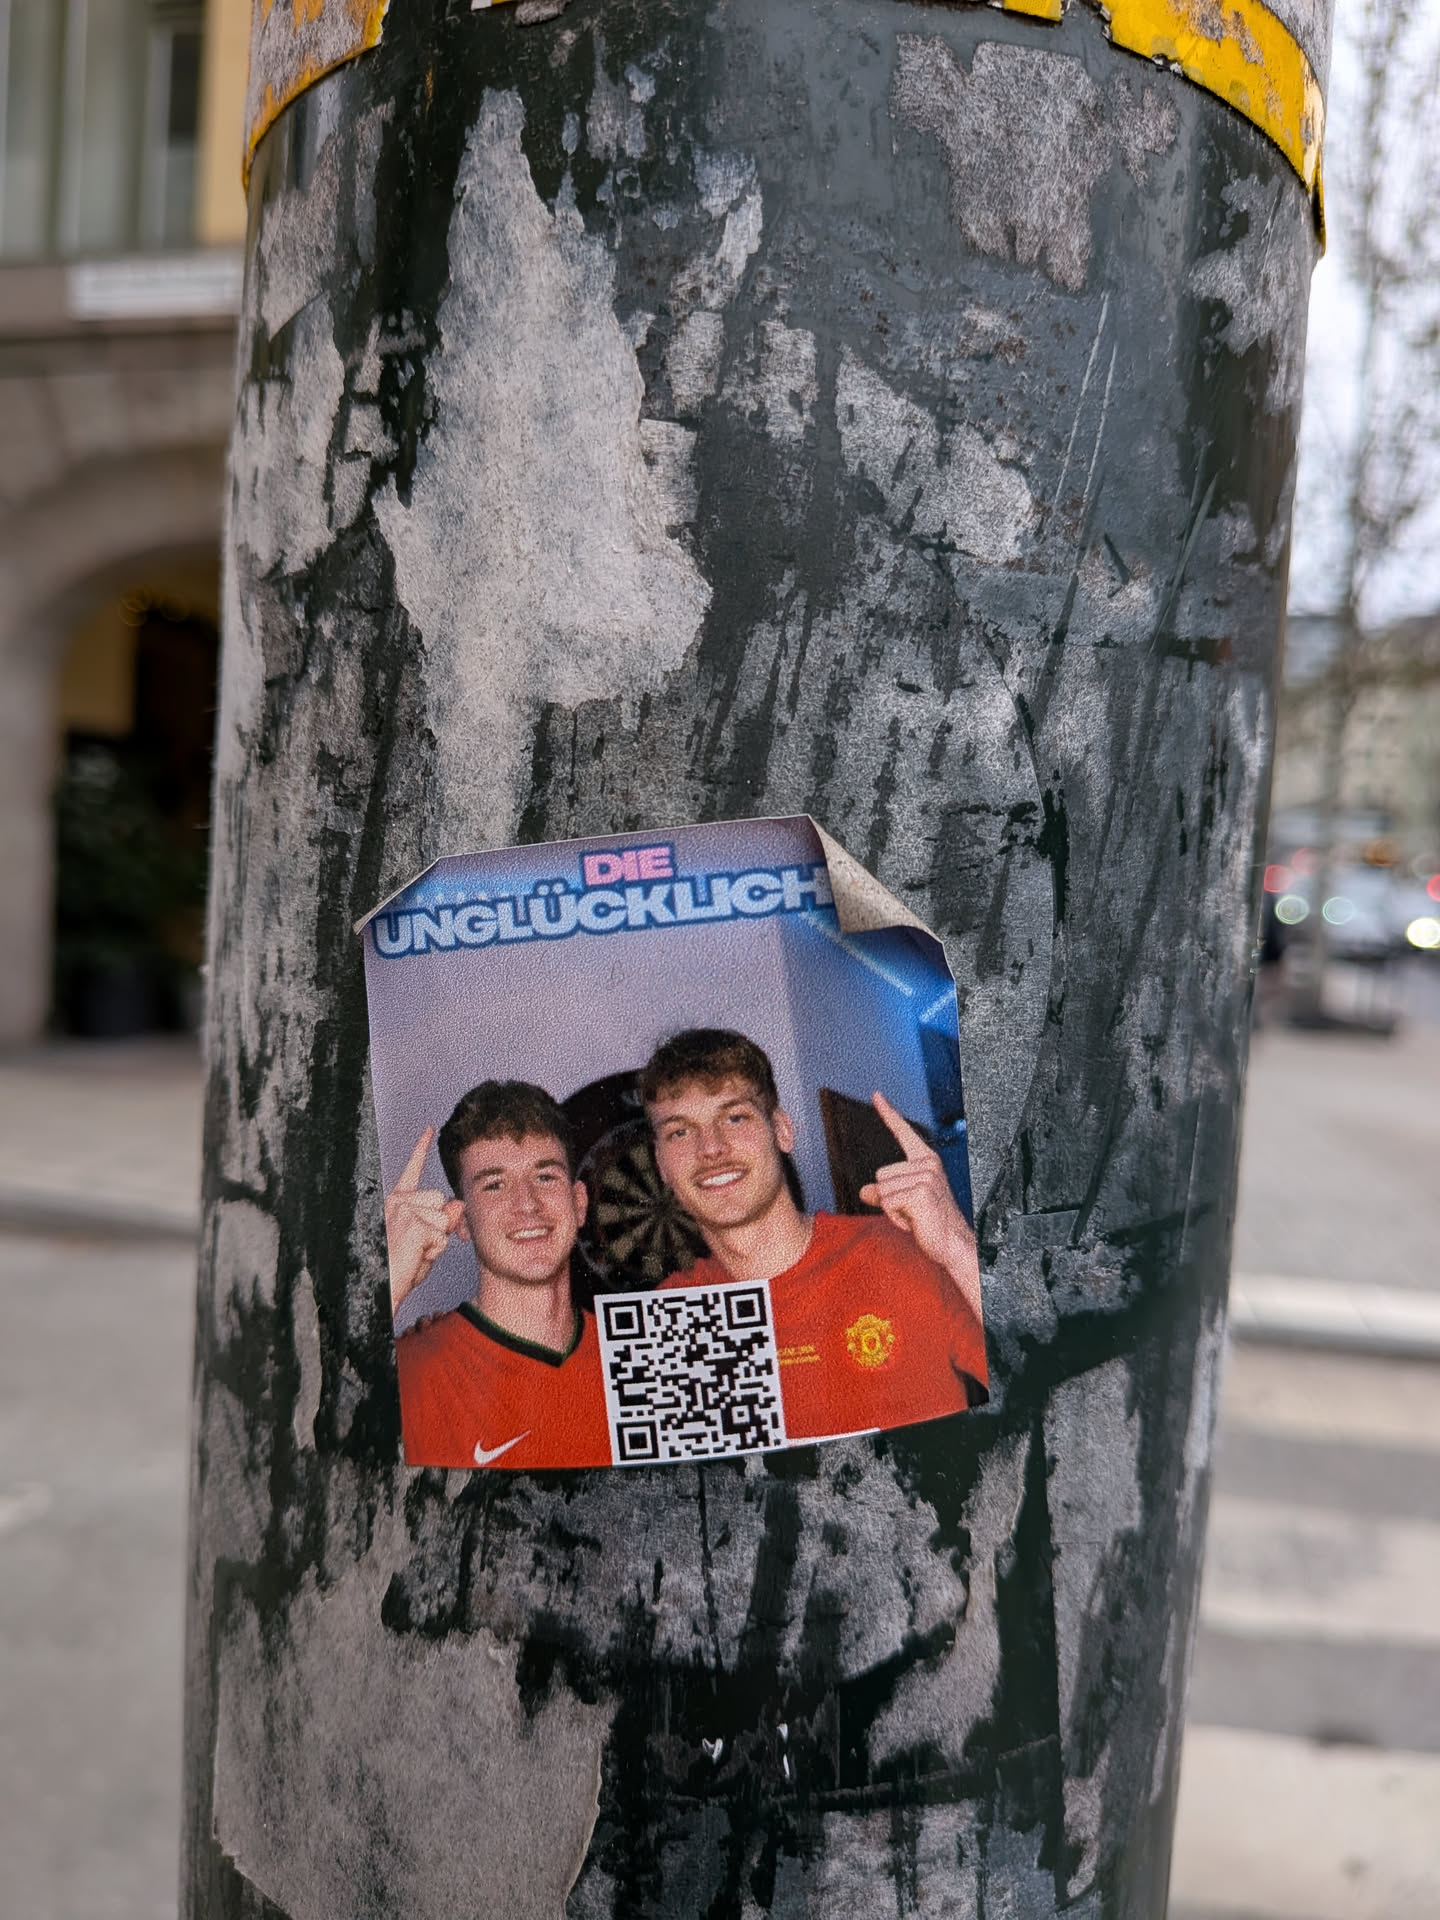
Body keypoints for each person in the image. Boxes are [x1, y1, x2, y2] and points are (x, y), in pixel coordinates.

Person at [641, 1029, 987, 1441]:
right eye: (680, 1131)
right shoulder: (668, 1317)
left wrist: (958, 1245)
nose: (711, 1148)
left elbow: (1049, 1376)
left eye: (735, 1117)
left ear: (782, 1130)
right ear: (662, 1165)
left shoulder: (905, 1251)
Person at [385, 1080, 610, 1469]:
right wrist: (381, 1286)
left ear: (579, 1204)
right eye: (494, 1185)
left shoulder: (639, 1360)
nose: (527, 1205)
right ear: (462, 1221)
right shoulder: (407, 1374)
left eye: (545, 1177)